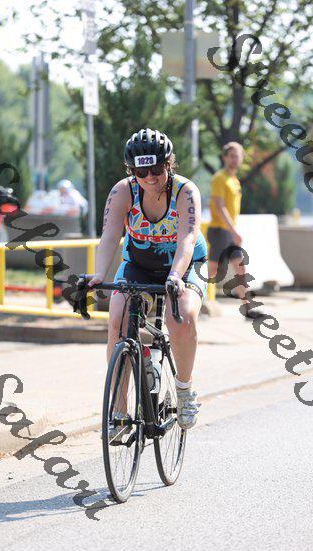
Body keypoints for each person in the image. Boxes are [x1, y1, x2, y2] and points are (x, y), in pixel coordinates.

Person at [85, 128, 208, 431]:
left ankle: (184, 389)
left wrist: (176, 275)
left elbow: (187, 239)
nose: (150, 177)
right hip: (139, 264)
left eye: (156, 169)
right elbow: (110, 236)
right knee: (117, 321)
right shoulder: (123, 192)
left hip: (184, 264)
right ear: (132, 170)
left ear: (168, 164)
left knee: (182, 315)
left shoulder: (185, 192)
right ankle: (119, 411)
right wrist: (99, 274)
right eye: (141, 171)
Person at [207, 141, 261, 318]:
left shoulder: (235, 180)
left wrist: (232, 231)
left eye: (238, 156)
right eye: (232, 155)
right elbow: (219, 206)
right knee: (211, 271)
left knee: (240, 268)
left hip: (229, 232)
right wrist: (233, 231)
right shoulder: (219, 178)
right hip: (219, 231)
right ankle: (193, 303)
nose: (235, 159)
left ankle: (247, 308)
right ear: (224, 157)